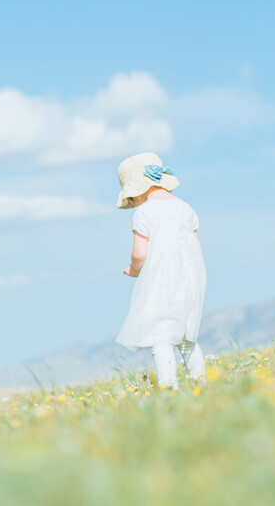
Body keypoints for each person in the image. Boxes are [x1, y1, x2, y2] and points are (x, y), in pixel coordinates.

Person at [115, 152, 207, 390]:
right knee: (188, 338)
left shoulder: (144, 213)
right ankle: (201, 383)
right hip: (191, 280)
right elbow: (193, 244)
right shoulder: (186, 209)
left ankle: (169, 387)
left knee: (161, 336)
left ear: (139, 190)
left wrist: (134, 270)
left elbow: (139, 254)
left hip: (162, 282)